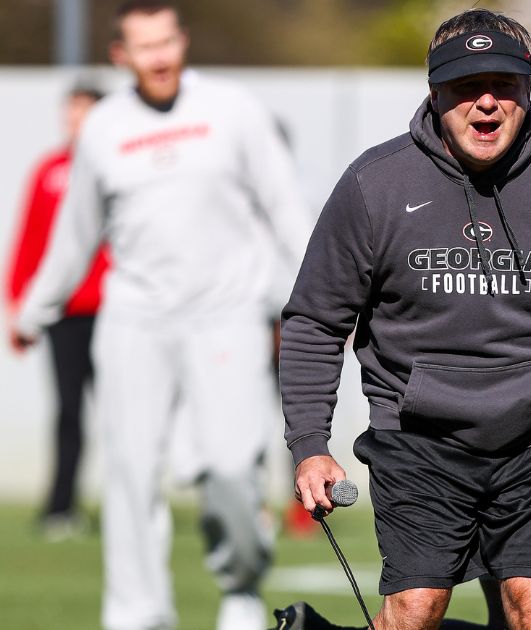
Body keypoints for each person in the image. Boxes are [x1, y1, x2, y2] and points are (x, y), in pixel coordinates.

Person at [280, 8, 531, 630]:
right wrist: (308, 446)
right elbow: (315, 322)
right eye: (466, 87)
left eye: (504, 86)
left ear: (529, 89)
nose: (486, 104)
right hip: (418, 441)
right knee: (415, 608)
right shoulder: (374, 184)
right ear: (435, 93)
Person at [11, 2, 313, 628]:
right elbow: (75, 237)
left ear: (182, 41)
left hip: (227, 315)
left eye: (168, 41)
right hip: (135, 323)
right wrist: (34, 310)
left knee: (233, 467)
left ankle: (240, 589)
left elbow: (287, 209)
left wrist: (320, 294)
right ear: (121, 56)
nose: (160, 57)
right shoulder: (103, 129)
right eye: (144, 47)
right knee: (130, 475)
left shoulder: (234, 110)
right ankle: (136, 615)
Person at [6, 81, 107, 541]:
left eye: (83, 113)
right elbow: (30, 240)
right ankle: (59, 506)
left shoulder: (118, 164)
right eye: (70, 113)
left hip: (118, 313)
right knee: (68, 411)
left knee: (129, 415)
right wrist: (20, 305)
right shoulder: (49, 171)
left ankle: (134, 506)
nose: (75, 123)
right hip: (67, 314)